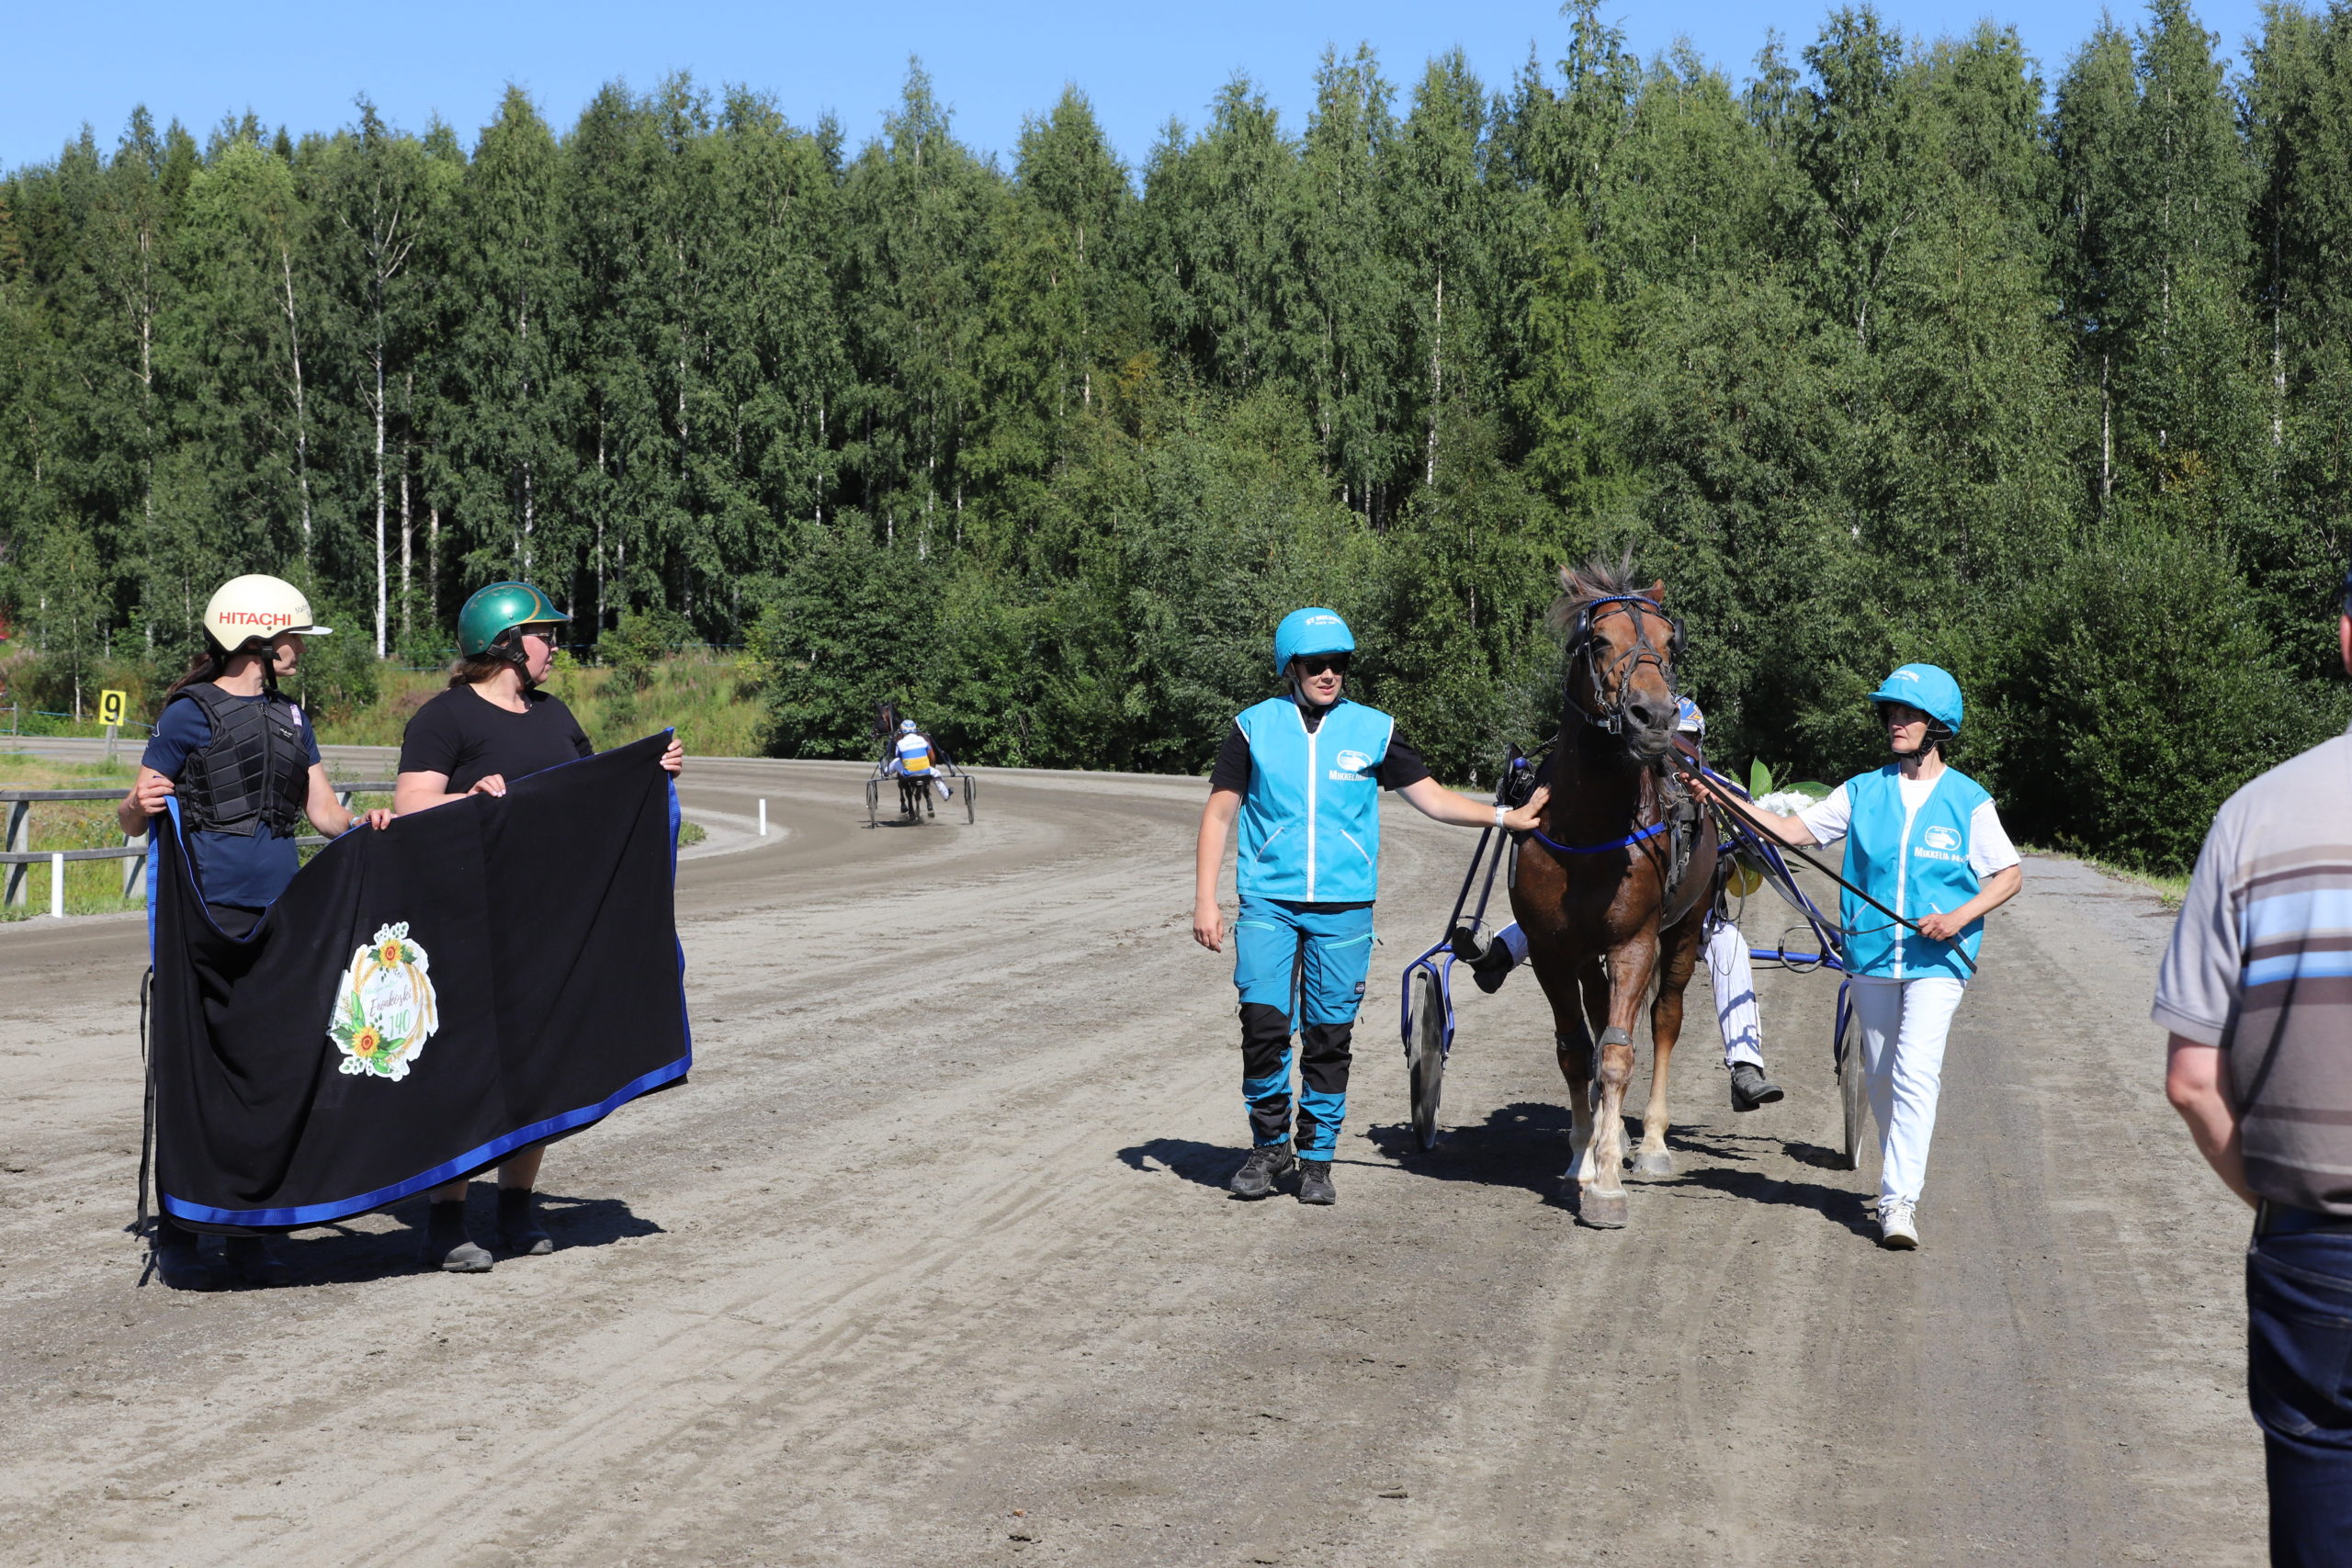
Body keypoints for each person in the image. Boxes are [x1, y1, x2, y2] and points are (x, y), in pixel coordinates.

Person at [1192, 608, 1550, 1205]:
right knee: (1263, 1027)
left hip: (1345, 909)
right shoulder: (1253, 727)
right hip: (1268, 904)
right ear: (1291, 667)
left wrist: (1501, 815)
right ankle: (1269, 1144)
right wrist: (1205, 899)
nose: (1330, 673)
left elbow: (1431, 798)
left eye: (1340, 663)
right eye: (1317, 663)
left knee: (1329, 1035)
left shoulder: (1374, 730)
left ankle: (1317, 1159)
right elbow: (1219, 813)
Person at [393, 581, 684, 1272]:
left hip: (544, 918)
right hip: (468, 919)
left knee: (537, 1059)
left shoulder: (555, 715)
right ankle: (446, 1218)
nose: (554, 646)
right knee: (466, 1066)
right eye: (543, 634)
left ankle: (517, 1208)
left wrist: (654, 773)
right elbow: (409, 808)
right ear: (503, 644)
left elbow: (593, 795)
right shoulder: (443, 718)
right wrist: (472, 796)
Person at [119, 574, 393, 1291]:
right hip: (204, 917)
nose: (299, 647)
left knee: (268, 1069)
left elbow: (325, 815)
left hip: (282, 913)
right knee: (196, 1070)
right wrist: (136, 801)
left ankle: (250, 1228)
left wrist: (370, 824)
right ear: (259, 639)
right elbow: (133, 814)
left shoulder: (294, 719)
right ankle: (182, 1227)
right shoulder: (187, 713)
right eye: (292, 635)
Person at [2154, 573, 2352, 1566]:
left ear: (2347, 640)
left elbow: (2191, 1079)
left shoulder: (2253, 819)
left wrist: (2274, 1195)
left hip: (2316, 1250)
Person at [1691, 664, 2021, 1248]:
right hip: (1870, 957)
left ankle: (1898, 1202)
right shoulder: (1863, 790)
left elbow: (2008, 875)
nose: (1894, 722)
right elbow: (1789, 833)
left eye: (1907, 713)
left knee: (1916, 1071)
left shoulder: (1969, 801)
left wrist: (1958, 918)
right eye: (1889, 712)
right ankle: (1900, 1179)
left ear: (1936, 725)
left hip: (1936, 962)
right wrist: (1718, 794)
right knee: (1881, 1078)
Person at [1455, 695, 1785, 1112]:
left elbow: (1767, 831)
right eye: (1670, 740)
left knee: (1732, 946)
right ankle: (1500, 954)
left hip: (1689, 914)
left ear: (1697, 746)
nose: (1676, 753)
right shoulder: (1629, 790)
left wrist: (1723, 808)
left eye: (1686, 742)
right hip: (1621, 910)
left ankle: (1745, 1066)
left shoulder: (1715, 785)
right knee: (1559, 912)